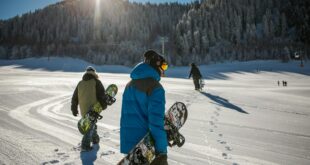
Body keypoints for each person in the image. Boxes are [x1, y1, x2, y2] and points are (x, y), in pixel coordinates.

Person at [120, 50, 169, 165]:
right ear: (156, 64)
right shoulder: (155, 87)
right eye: (164, 66)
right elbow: (156, 122)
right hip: (146, 147)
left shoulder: (129, 84)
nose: (164, 70)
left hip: (130, 146)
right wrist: (162, 151)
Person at [71, 66, 109, 151]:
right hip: (93, 108)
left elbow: (74, 97)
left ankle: (95, 139)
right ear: (94, 73)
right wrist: (104, 105)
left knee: (91, 123)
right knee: (90, 127)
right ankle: (85, 145)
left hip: (83, 109)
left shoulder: (80, 83)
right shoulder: (96, 82)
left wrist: (74, 108)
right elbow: (102, 95)